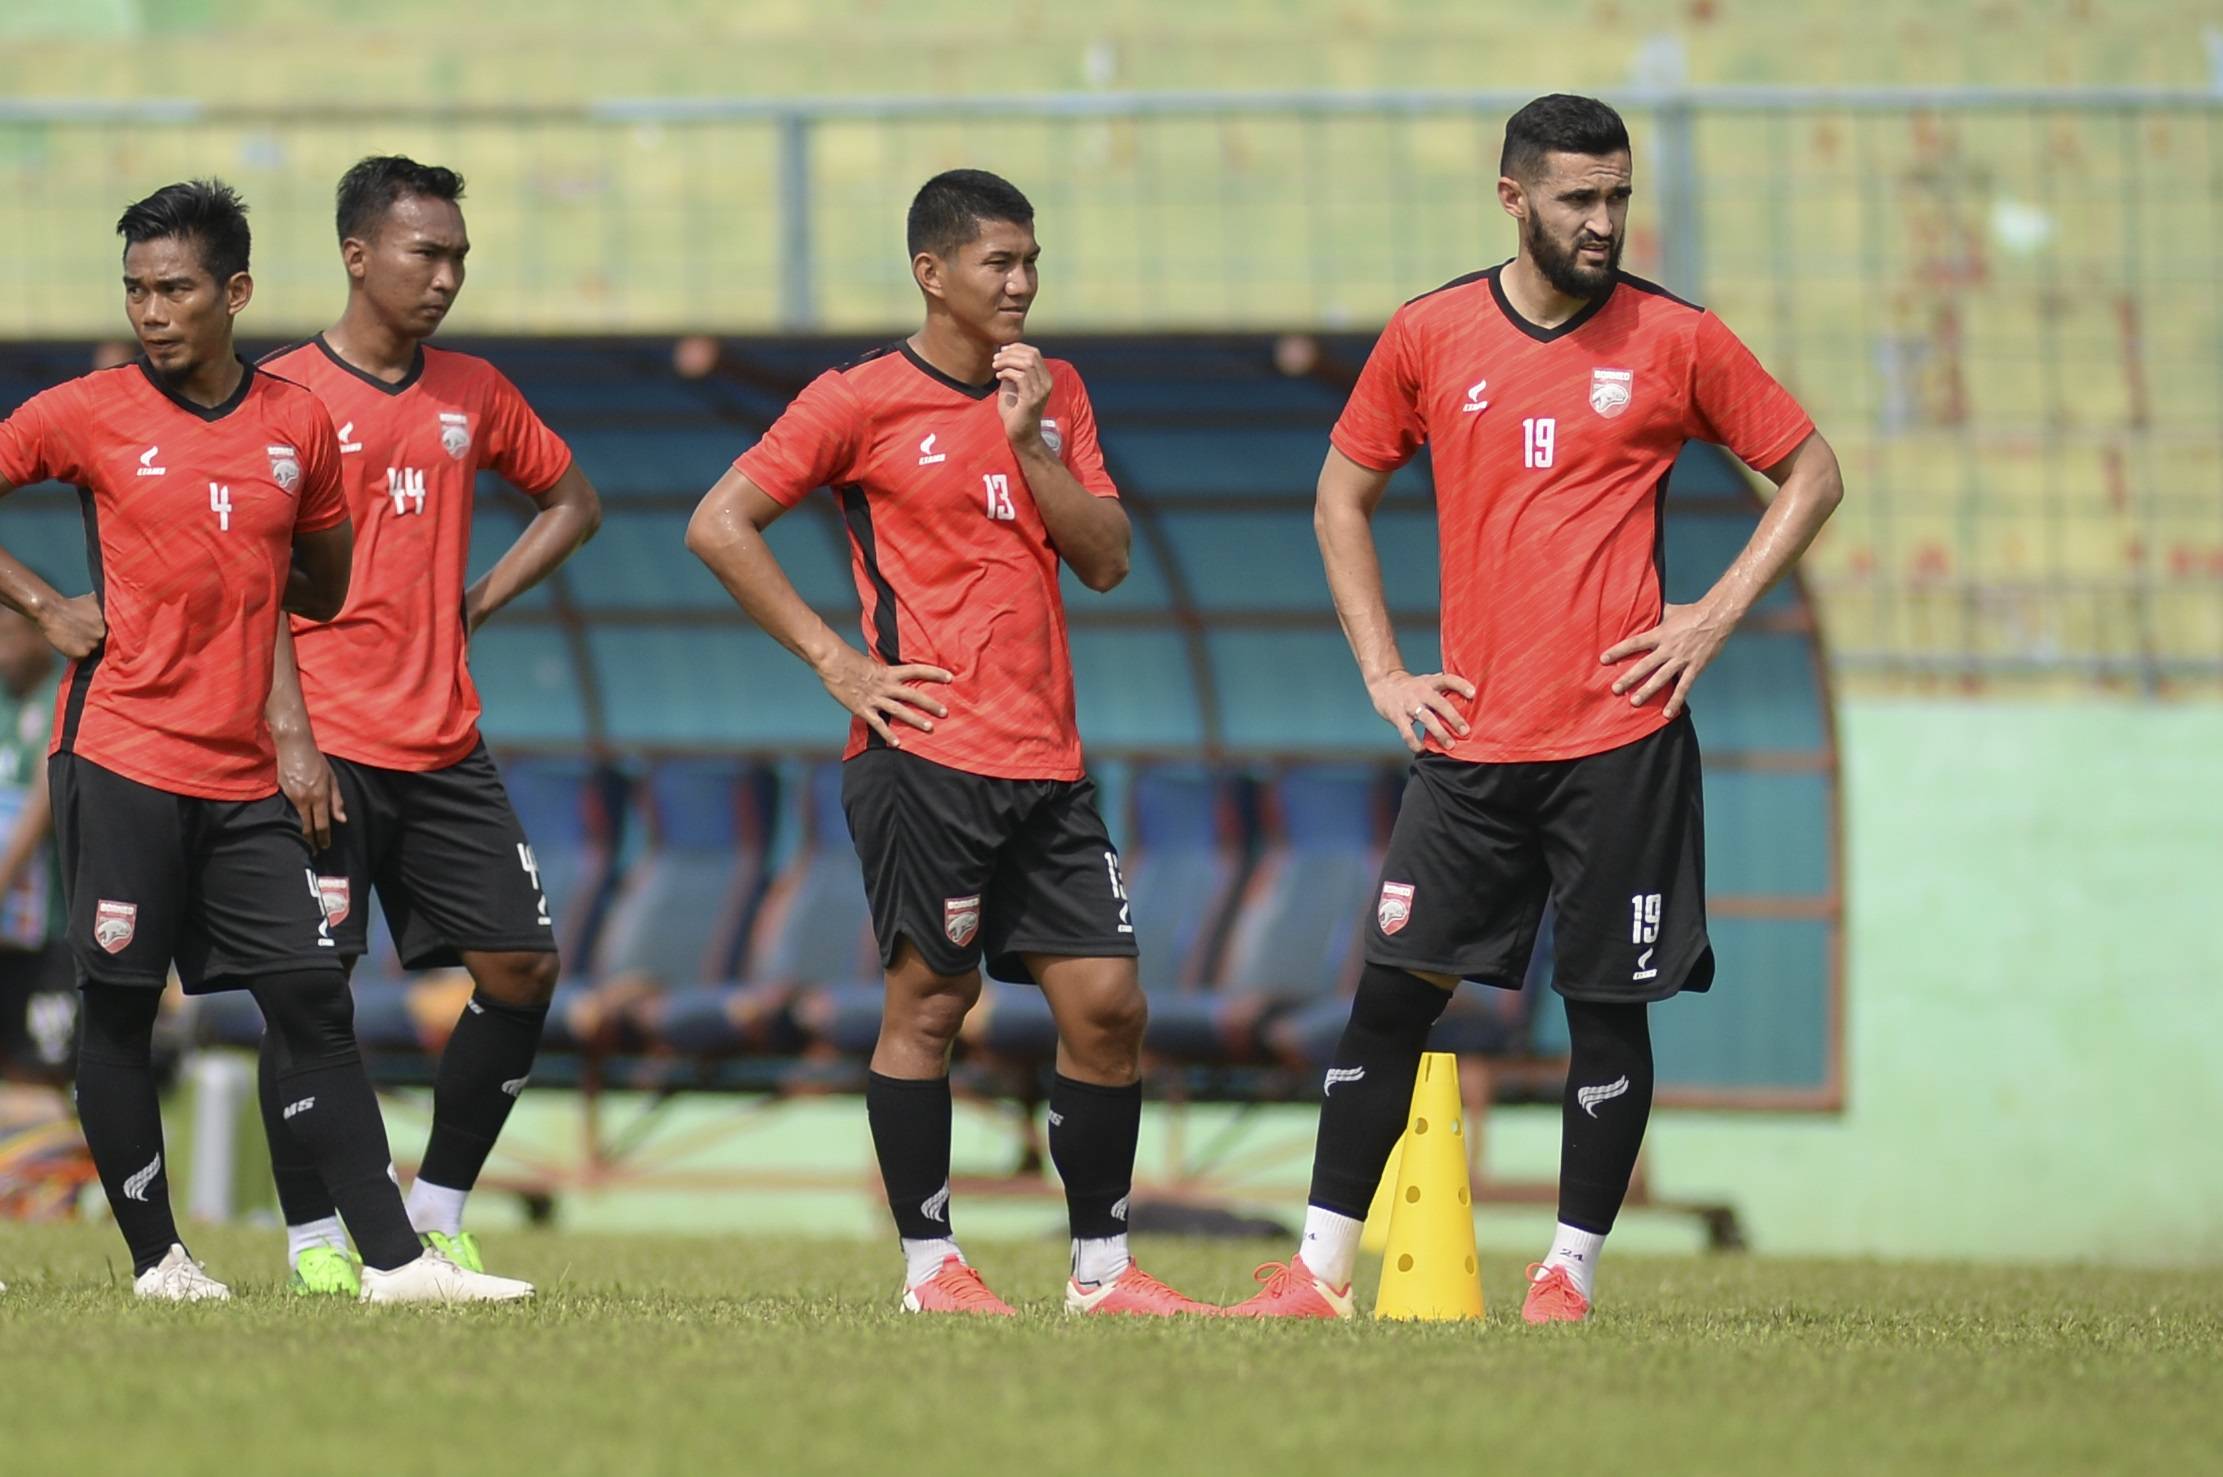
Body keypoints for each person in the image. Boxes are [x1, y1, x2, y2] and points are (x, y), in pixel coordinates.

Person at [1227, 95, 1845, 1324]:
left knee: (1607, 1007)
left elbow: (1812, 471)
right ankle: (1319, 1274)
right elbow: (1339, 495)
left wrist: (1710, 618)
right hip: (1471, 746)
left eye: (1617, 195)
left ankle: (1567, 1275)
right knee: (1391, 992)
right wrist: (1386, 673)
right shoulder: (1430, 333)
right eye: (1579, 198)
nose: (1604, 220)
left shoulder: (1677, 338)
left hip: (1623, 740)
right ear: (1513, 198)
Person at [686, 170, 1212, 1317]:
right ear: (933, 273)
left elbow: (1111, 558)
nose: (1022, 283)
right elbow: (718, 524)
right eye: (998, 263)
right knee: (932, 1003)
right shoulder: (856, 399)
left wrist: (1033, 446)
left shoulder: (1055, 389)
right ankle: (932, 1269)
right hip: (924, 757)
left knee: (1110, 1007)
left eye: (1032, 261)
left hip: (1049, 764)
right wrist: (841, 664)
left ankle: (1102, 1271)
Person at [0, 179, 530, 1302]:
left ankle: (395, 1262)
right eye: (138, 289)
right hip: (122, 755)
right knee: (121, 1006)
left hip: (244, 773)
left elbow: (322, 579)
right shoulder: (85, 410)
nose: (153, 311)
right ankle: (162, 1260)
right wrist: (46, 606)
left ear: (234, 292)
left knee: (310, 995)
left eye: (177, 289)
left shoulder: (295, 421)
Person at [257, 156, 601, 1293]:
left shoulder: (474, 391)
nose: (447, 274)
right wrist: (285, 731)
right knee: (311, 990)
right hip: (322, 741)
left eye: (458, 254)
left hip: (444, 740)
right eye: (426, 253)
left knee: (522, 967)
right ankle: (313, 1242)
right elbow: (246, 579)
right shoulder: (280, 398)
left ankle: (438, 1210)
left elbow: (572, 500)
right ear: (358, 256)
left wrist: (478, 601)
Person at [0, 601, 70, 1083]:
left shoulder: (62, 698)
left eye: (7, 635)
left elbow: (39, 811)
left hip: (48, 931)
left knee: (43, 1078)